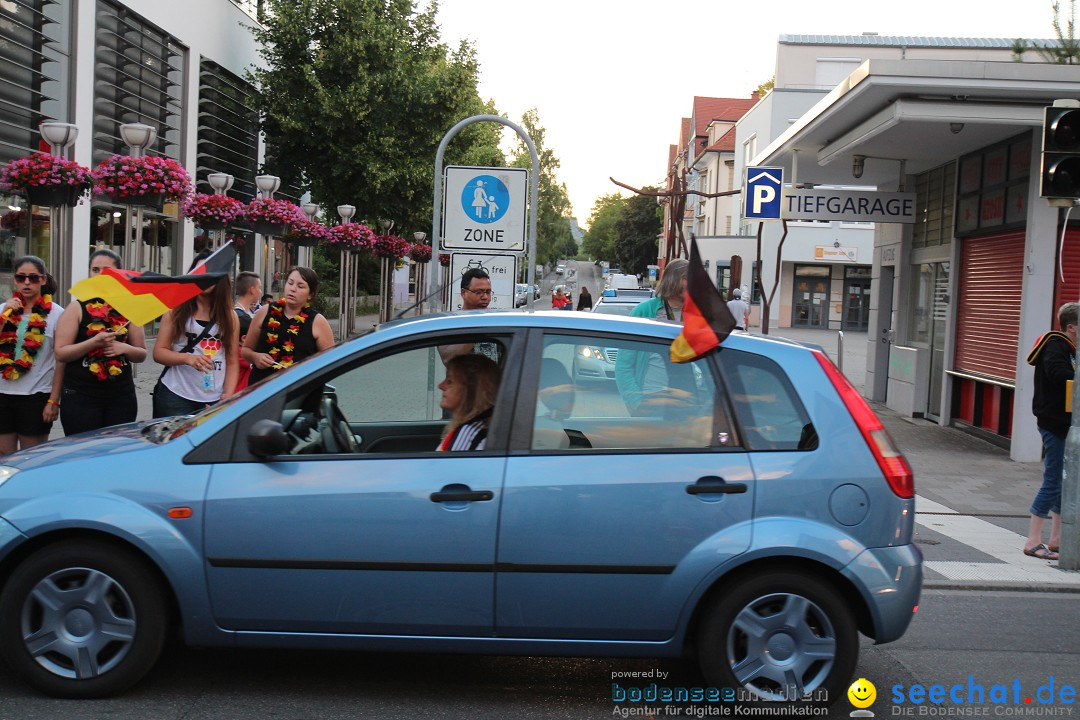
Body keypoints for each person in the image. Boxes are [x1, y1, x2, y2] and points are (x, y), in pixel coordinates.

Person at [54, 250, 147, 435]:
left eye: (107, 270)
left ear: (119, 274)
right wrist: (93, 342)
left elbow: (142, 354)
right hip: (80, 396)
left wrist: (124, 347)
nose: (100, 275)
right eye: (95, 269)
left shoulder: (129, 308)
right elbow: (61, 353)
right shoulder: (77, 308)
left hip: (121, 397)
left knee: (114, 453)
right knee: (81, 454)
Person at [152, 252, 238, 417]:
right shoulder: (176, 310)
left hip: (213, 398)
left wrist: (227, 395)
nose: (204, 278)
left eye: (210, 272)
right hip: (176, 394)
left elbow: (232, 360)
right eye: (199, 272)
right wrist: (187, 358)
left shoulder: (230, 317)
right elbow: (159, 352)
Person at [1022, 302, 1077, 561]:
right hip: (1055, 423)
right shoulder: (1056, 346)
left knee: (1064, 481)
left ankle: (1056, 539)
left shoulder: (1063, 347)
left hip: (1061, 423)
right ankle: (1033, 540)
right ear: (1072, 327)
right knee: (1054, 479)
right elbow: (1059, 375)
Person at [0, 256, 64, 453]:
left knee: (32, 457)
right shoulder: (4, 310)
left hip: (36, 395)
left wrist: (54, 400)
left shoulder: (57, 314)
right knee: (4, 458)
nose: (27, 283)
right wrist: (5, 316)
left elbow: (61, 360)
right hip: (2, 394)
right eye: (21, 278)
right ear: (15, 280)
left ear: (43, 280)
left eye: (33, 278)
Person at [615, 259, 692, 416]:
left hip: (691, 404)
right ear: (673, 279)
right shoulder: (644, 312)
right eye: (687, 278)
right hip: (653, 401)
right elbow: (623, 365)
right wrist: (636, 402)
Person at [243, 266, 334, 385]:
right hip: (262, 389)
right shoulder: (265, 312)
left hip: (299, 391)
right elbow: (245, 350)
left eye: (300, 286)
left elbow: (331, 362)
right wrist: (255, 357)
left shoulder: (318, 322)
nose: (293, 289)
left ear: (310, 294)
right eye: (290, 283)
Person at [436, 353, 500, 451]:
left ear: (470, 390)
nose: (440, 386)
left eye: (450, 381)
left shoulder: (469, 434)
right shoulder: (476, 430)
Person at [438, 268, 498, 363]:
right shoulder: (451, 324)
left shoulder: (497, 323)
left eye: (488, 292)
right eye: (479, 292)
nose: (485, 297)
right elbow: (448, 358)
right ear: (463, 293)